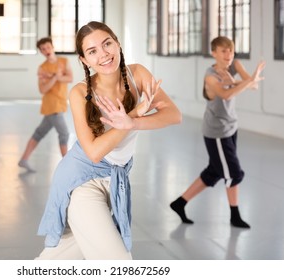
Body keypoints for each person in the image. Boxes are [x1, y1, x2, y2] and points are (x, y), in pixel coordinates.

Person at [35, 21, 182, 260]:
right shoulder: (80, 92)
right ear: (84, 60)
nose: (103, 54)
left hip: (114, 181)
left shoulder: (138, 74)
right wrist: (134, 115)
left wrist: (132, 123)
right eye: (92, 51)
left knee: (54, 263)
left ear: (117, 43)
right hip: (82, 183)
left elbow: (173, 115)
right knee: (119, 263)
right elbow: (94, 152)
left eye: (107, 44)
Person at [170, 36, 265, 228]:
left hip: (231, 127)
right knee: (234, 173)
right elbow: (226, 94)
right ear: (214, 53)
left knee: (214, 171)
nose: (228, 55)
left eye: (230, 50)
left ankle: (179, 203)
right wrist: (245, 81)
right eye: (223, 51)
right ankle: (234, 216)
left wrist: (244, 80)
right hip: (216, 132)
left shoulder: (235, 64)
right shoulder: (210, 76)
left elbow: (253, 86)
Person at [18, 37, 73, 172]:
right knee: (64, 134)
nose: (46, 50)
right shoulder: (42, 68)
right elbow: (43, 89)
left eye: (48, 47)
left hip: (60, 103)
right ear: (41, 52)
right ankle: (67, 166)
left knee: (39, 133)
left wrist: (52, 76)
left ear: (52, 47)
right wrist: (55, 77)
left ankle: (24, 159)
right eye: (43, 49)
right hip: (52, 106)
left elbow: (70, 78)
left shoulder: (64, 61)